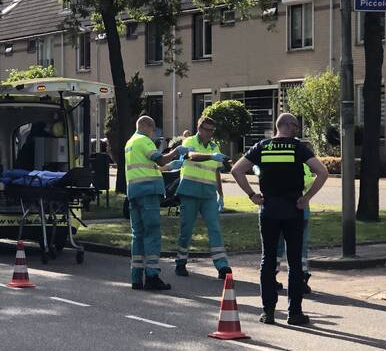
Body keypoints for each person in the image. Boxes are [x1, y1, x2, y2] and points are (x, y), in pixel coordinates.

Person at [231, 113, 328, 326]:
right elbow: (322, 172)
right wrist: (307, 197)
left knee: (268, 260)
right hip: (293, 210)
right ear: (288, 125)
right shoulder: (298, 147)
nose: (297, 130)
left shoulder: (262, 147)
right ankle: (295, 313)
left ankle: (268, 312)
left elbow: (236, 170)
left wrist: (252, 195)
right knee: (294, 262)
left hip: (269, 210)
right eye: (296, 126)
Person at [125, 115, 189, 291]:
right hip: (148, 192)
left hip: (134, 192)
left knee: (138, 234)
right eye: (153, 131)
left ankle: (136, 278)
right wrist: (176, 151)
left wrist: (170, 166)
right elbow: (159, 159)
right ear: (147, 126)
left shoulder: (130, 143)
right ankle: (152, 276)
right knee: (152, 233)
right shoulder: (143, 140)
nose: (153, 134)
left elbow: (150, 166)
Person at [174, 116, 231, 280]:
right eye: (207, 130)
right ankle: (180, 262)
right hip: (190, 192)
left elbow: (216, 172)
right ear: (199, 128)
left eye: (212, 130)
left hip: (208, 195)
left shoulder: (214, 146)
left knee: (215, 228)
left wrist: (221, 195)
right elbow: (191, 156)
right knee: (186, 229)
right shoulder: (189, 141)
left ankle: (222, 266)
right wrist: (211, 156)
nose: (210, 133)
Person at [276, 149, 315, 294]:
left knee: (277, 245)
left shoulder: (274, 160)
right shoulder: (303, 162)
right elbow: (308, 181)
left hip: (277, 208)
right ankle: (301, 278)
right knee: (300, 246)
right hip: (300, 208)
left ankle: (271, 276)